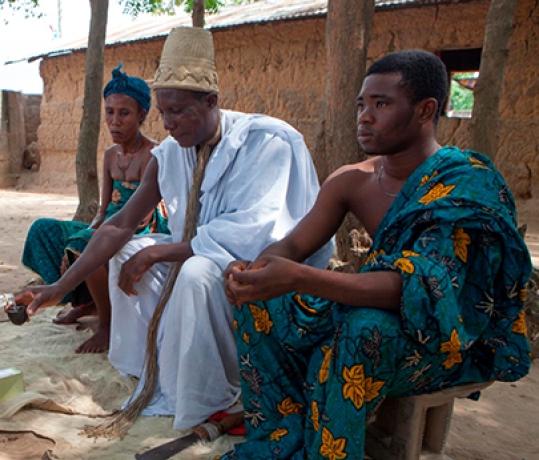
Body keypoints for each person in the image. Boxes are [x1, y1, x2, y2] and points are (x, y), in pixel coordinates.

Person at [213, 50, 532, 460]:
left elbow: (420, 290)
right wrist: (254, 271)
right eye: (362, 103)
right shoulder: (352, 181)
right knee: (263, 304)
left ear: (425, 110)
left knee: (362, 329)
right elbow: (294, 245)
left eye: (381, 104)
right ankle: (282, 441)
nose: (364, 116)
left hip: (442, 337)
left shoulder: (465, 184)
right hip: (375, 315)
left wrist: (299, 277)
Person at [16, 27, 332, 434]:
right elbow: (120, 225)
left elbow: (254, 234)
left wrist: (158, 253)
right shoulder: (170, 153)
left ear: (212, 101)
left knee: (196, 269)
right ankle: (151, 367)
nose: (168, 124)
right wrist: (59, 287)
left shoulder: (268, 142)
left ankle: (205, 392)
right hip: (200, 256)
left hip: (263, 280)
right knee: (129, 250)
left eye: (179, 111)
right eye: (163, 113)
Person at [21, 63, 166, 354]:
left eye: (124, 113)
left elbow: (144, 217)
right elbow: (102, 210)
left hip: (142, 226)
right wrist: (88, 231)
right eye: (109, 112)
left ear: (142, 115)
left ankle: (108, 326)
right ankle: (83, 301)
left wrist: (87, 240)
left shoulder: (156, 154)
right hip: (110, 223)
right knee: (45, 231)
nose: (115, 121)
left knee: (86, 246)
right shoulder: (110, 155)